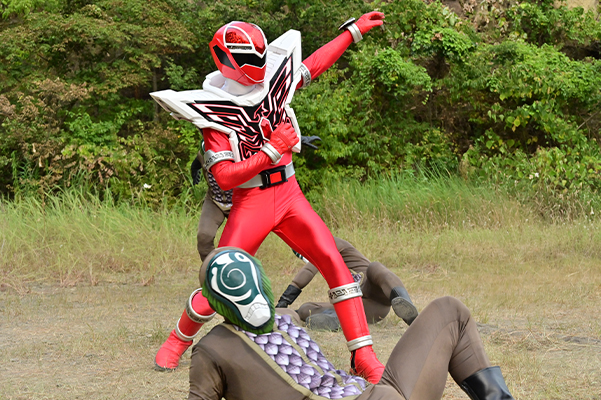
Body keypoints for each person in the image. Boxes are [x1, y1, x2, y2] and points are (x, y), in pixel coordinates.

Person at [150, 13, 387, 382]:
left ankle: (364, 356)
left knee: (334, 263)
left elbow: (313, 65)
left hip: (289, 193)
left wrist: (352, 32)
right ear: (225, 59)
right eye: (248, 58)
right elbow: (224, 175)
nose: (257, 65)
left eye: (259, 56)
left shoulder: (275, 80)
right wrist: (271, 151)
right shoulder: (212, 109)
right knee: (222, 278)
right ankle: (176, 340)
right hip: (252, 200)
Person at [189, 247, 515, 400]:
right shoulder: (214, 349)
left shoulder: (279, 320)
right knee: (450, 311)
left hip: (372, 392)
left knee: (449, 310)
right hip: (371, 396)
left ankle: (391, 299)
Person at [191, 135, 321, 262]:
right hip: (215, 201)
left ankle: (303, 250)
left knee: (260, 234)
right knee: (204, 237)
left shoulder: (240, 146)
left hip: (243, 201)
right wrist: (195, 171)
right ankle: (211, 270)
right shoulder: (205, 149)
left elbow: (269, 139)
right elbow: (197, 161)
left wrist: (299, 139)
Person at [276, 237, 419, 331]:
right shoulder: (322, 259)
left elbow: (308, 271)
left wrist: (284, 300)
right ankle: (337, 319)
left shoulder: (331, 243)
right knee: (305, 309)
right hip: (363, 307)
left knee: (375, 267)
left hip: (373, 292)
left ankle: (405, 305)